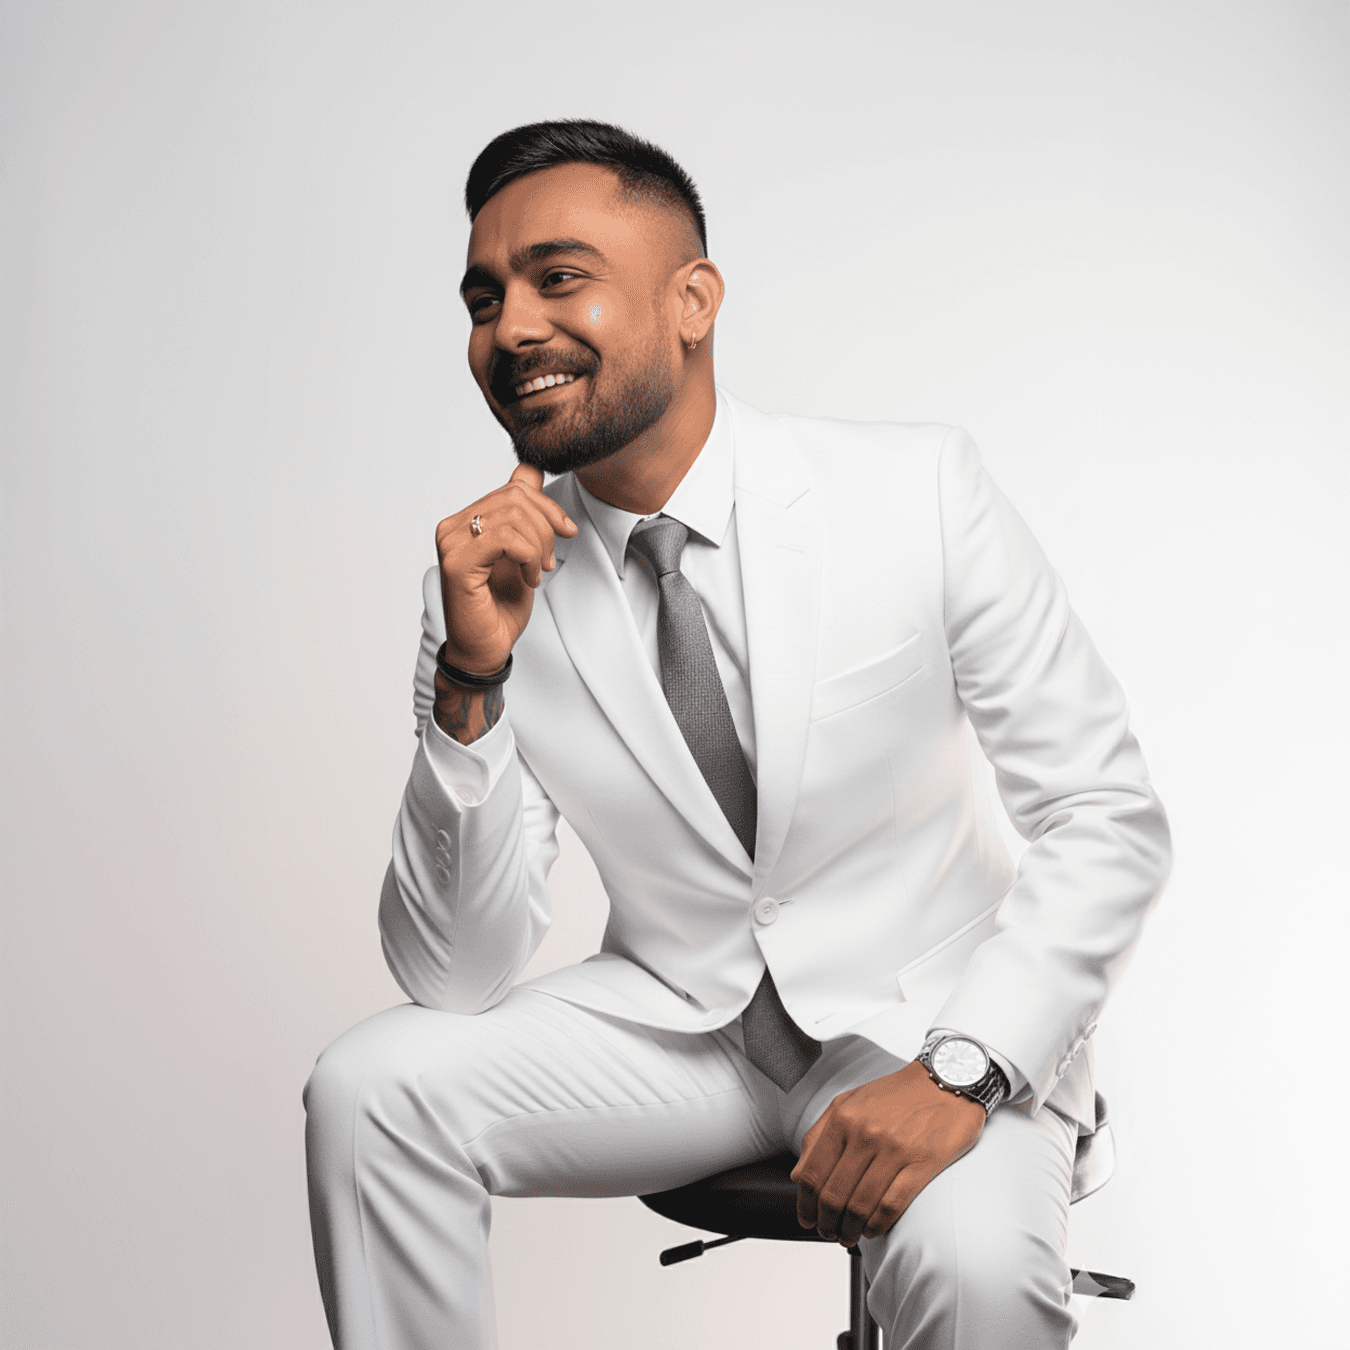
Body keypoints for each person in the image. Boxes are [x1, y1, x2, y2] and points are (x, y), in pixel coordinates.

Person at [303, 119, 1171, 1350]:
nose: (512, 330)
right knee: (371, 1091)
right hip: (685, 1030)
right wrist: (471, 678)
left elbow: (1105, 817)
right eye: (484, 300)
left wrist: (966, 1068)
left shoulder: (916, 492)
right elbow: (455, 977)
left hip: (929, 1024)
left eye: (558, 279)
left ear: (693, 302)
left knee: (974, 1272)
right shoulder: (488, 585)